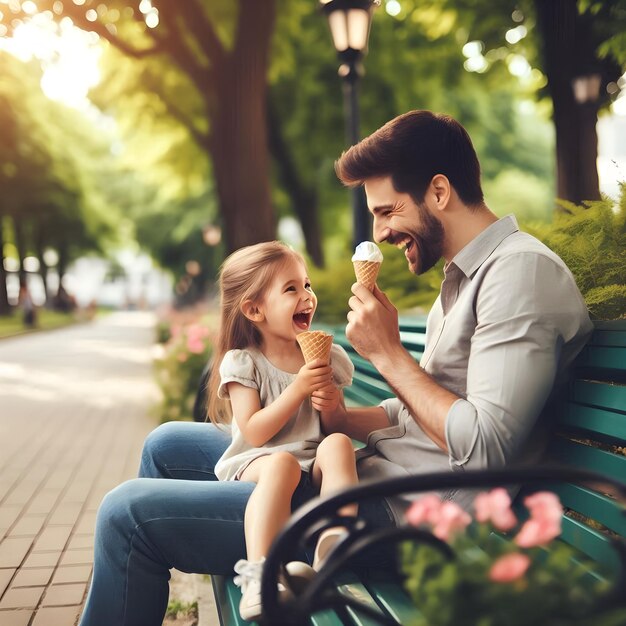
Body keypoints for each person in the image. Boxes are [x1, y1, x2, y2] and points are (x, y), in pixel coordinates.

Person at [79, 110, 592, 626]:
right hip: (363, 471)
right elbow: (422, 411)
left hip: (401, 514)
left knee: (127, 515)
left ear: (439, 192)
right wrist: (345, 420)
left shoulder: (519, 274)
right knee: (166, 444)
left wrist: (387, 354)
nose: (381, 232)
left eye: (388, 211)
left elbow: (485, 448)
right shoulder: (461, 280)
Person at [208, 241, 358, 620]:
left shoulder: (325, 355)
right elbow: (255, 432)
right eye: (291, 288)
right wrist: (299, 389)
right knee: (280, 464)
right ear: (254, 309)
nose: (307, 296)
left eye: (307, 285)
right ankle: (260, 576)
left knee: (339, 443)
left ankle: (334, 542)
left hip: (310, 460)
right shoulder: (244, 362)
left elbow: (332, 424)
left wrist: (328, 400)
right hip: (258, 460)